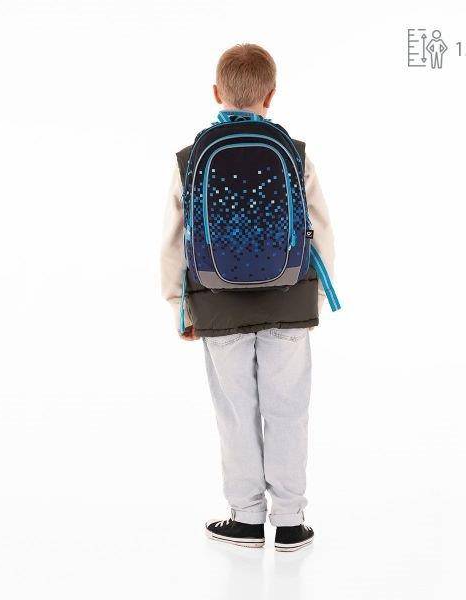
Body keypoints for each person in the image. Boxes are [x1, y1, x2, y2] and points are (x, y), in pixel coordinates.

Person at [160, 43, 337, 552]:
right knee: (288, 411)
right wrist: (314, 299)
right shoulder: (295, 153)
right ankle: (290, 521)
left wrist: (179, 306)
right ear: (271, 95)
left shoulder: (190, 158)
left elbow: (173, 240)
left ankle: (245, 518)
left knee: (235, 413)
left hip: (216, 304)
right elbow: (321, 229)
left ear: (217, 92)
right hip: (289, 300)